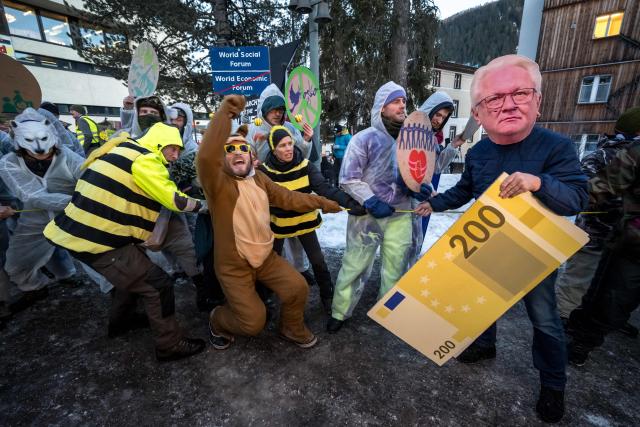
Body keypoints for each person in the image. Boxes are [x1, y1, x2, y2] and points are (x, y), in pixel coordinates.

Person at [414, 55, 588, 423]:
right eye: (494, 99)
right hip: (490, 241)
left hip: (535, 251)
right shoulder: (479, 152)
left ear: (537, 101)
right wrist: (435, 204)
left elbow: (576, 198)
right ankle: (484, 345)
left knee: (544, 320)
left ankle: (553, 387)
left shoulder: (556, 147)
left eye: (520, 94)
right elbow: (465, 190)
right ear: (478, 113)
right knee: (481, 303)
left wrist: (538, 183)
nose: (507, 104)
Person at [44, 122, 208, 362]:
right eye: (173, 149)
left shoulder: (121, 148)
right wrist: (206, 206)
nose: (176, 155)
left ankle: (122, 321)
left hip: (81, 234)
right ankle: (169, 345)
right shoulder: (146, 160)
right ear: (159, 142)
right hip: (99, 240)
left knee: (131, 275)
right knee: (158, 284)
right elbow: (176, 201)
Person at [197, 95, 341, 351]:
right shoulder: (218, 185)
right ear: (224, 159)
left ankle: (291, 327)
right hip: (234, 267)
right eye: (230, 149)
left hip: (265, 258)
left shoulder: (260, 179)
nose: (238, 152)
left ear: (252, 155)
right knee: (253, 323)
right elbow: (206, 159)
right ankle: (217, 319)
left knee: (298, 288)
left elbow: (288, 198)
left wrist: (321, 202)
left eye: (243, 148)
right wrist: (225, 114)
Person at [327, 81, 414, 334]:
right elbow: (348, 178)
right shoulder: (363, 139)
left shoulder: (411, 139)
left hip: (401, 214)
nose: (402, 105)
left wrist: (419, 186)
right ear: (382, 107)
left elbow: (422, 170)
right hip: (367, 216)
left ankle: (389, 312)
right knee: (355, 264)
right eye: (396, 101)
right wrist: (372, 201)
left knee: (396, 267)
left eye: (404, 101)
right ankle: (340, 311)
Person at [259, 125, 366, 314]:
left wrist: (349, 202)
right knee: (269, 262)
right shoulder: (265, 172)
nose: (288, 148)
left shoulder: (305, 166)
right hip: (278, 226)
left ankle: (327, 295)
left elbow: (324, 188)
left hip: (305, 222)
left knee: (317, 260)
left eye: (290, 143)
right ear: (273, 149)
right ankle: (265, 297)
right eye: (282, 145)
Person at [556, 107, 640, 338]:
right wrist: (611, 204)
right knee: (578, 279)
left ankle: (603, 318)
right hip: (594, 233)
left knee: (609, 285)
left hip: (625, 239)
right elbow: (582, 189)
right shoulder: (602, 155)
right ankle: (563, 318)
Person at [0, 109, 85, 312]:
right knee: (16, 264)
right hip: (34, 218)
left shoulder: (67, 156)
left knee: (98, 256)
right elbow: (32, 195)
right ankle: (35, 287)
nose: (39, 149)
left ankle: (121, 293)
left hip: (75, 215)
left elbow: (88, 175)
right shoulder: (8, 163)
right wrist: (77, 201)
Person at [247, 83, 313, 162]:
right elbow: (246, 160)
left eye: (280, 110)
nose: (278, 114)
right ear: (264, 110)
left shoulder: (291, 128)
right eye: (273, 109)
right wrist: (252, 165)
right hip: (262, 174)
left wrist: (306, 141)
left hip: (288, 174)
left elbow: (301, 158)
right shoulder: (252, 130)